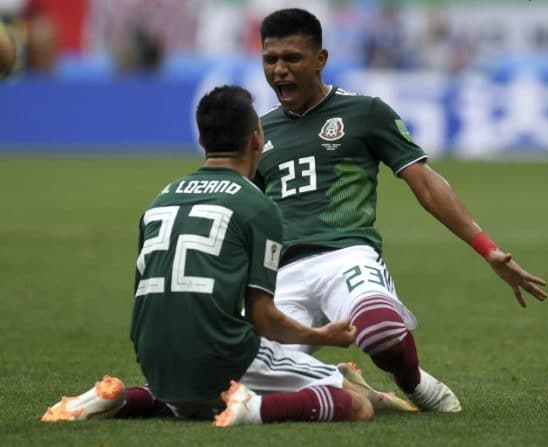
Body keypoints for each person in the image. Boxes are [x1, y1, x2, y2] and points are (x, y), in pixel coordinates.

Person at [41, 85, 415, 427]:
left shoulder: (160, 199)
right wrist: (322, 335)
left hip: (155, 359)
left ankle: (117, 398)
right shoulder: (258, 206)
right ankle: (253, 409)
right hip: (223, 356)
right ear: (256, 139)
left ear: (202, 139)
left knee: (189, 398)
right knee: (356, 403)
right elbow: (264, 319)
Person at [254, 8, 548, 412]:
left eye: (292, 58)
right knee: (244, 379)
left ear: (320, 59)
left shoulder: (365, 112)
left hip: (345, 257)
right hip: (282, 274)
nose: (280, 71)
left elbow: (426, 184)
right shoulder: (257, 132)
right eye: (271, 60)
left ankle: (413, 382)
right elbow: (243, 212)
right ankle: (347, 383)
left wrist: (487, 248)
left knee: (379, 332)